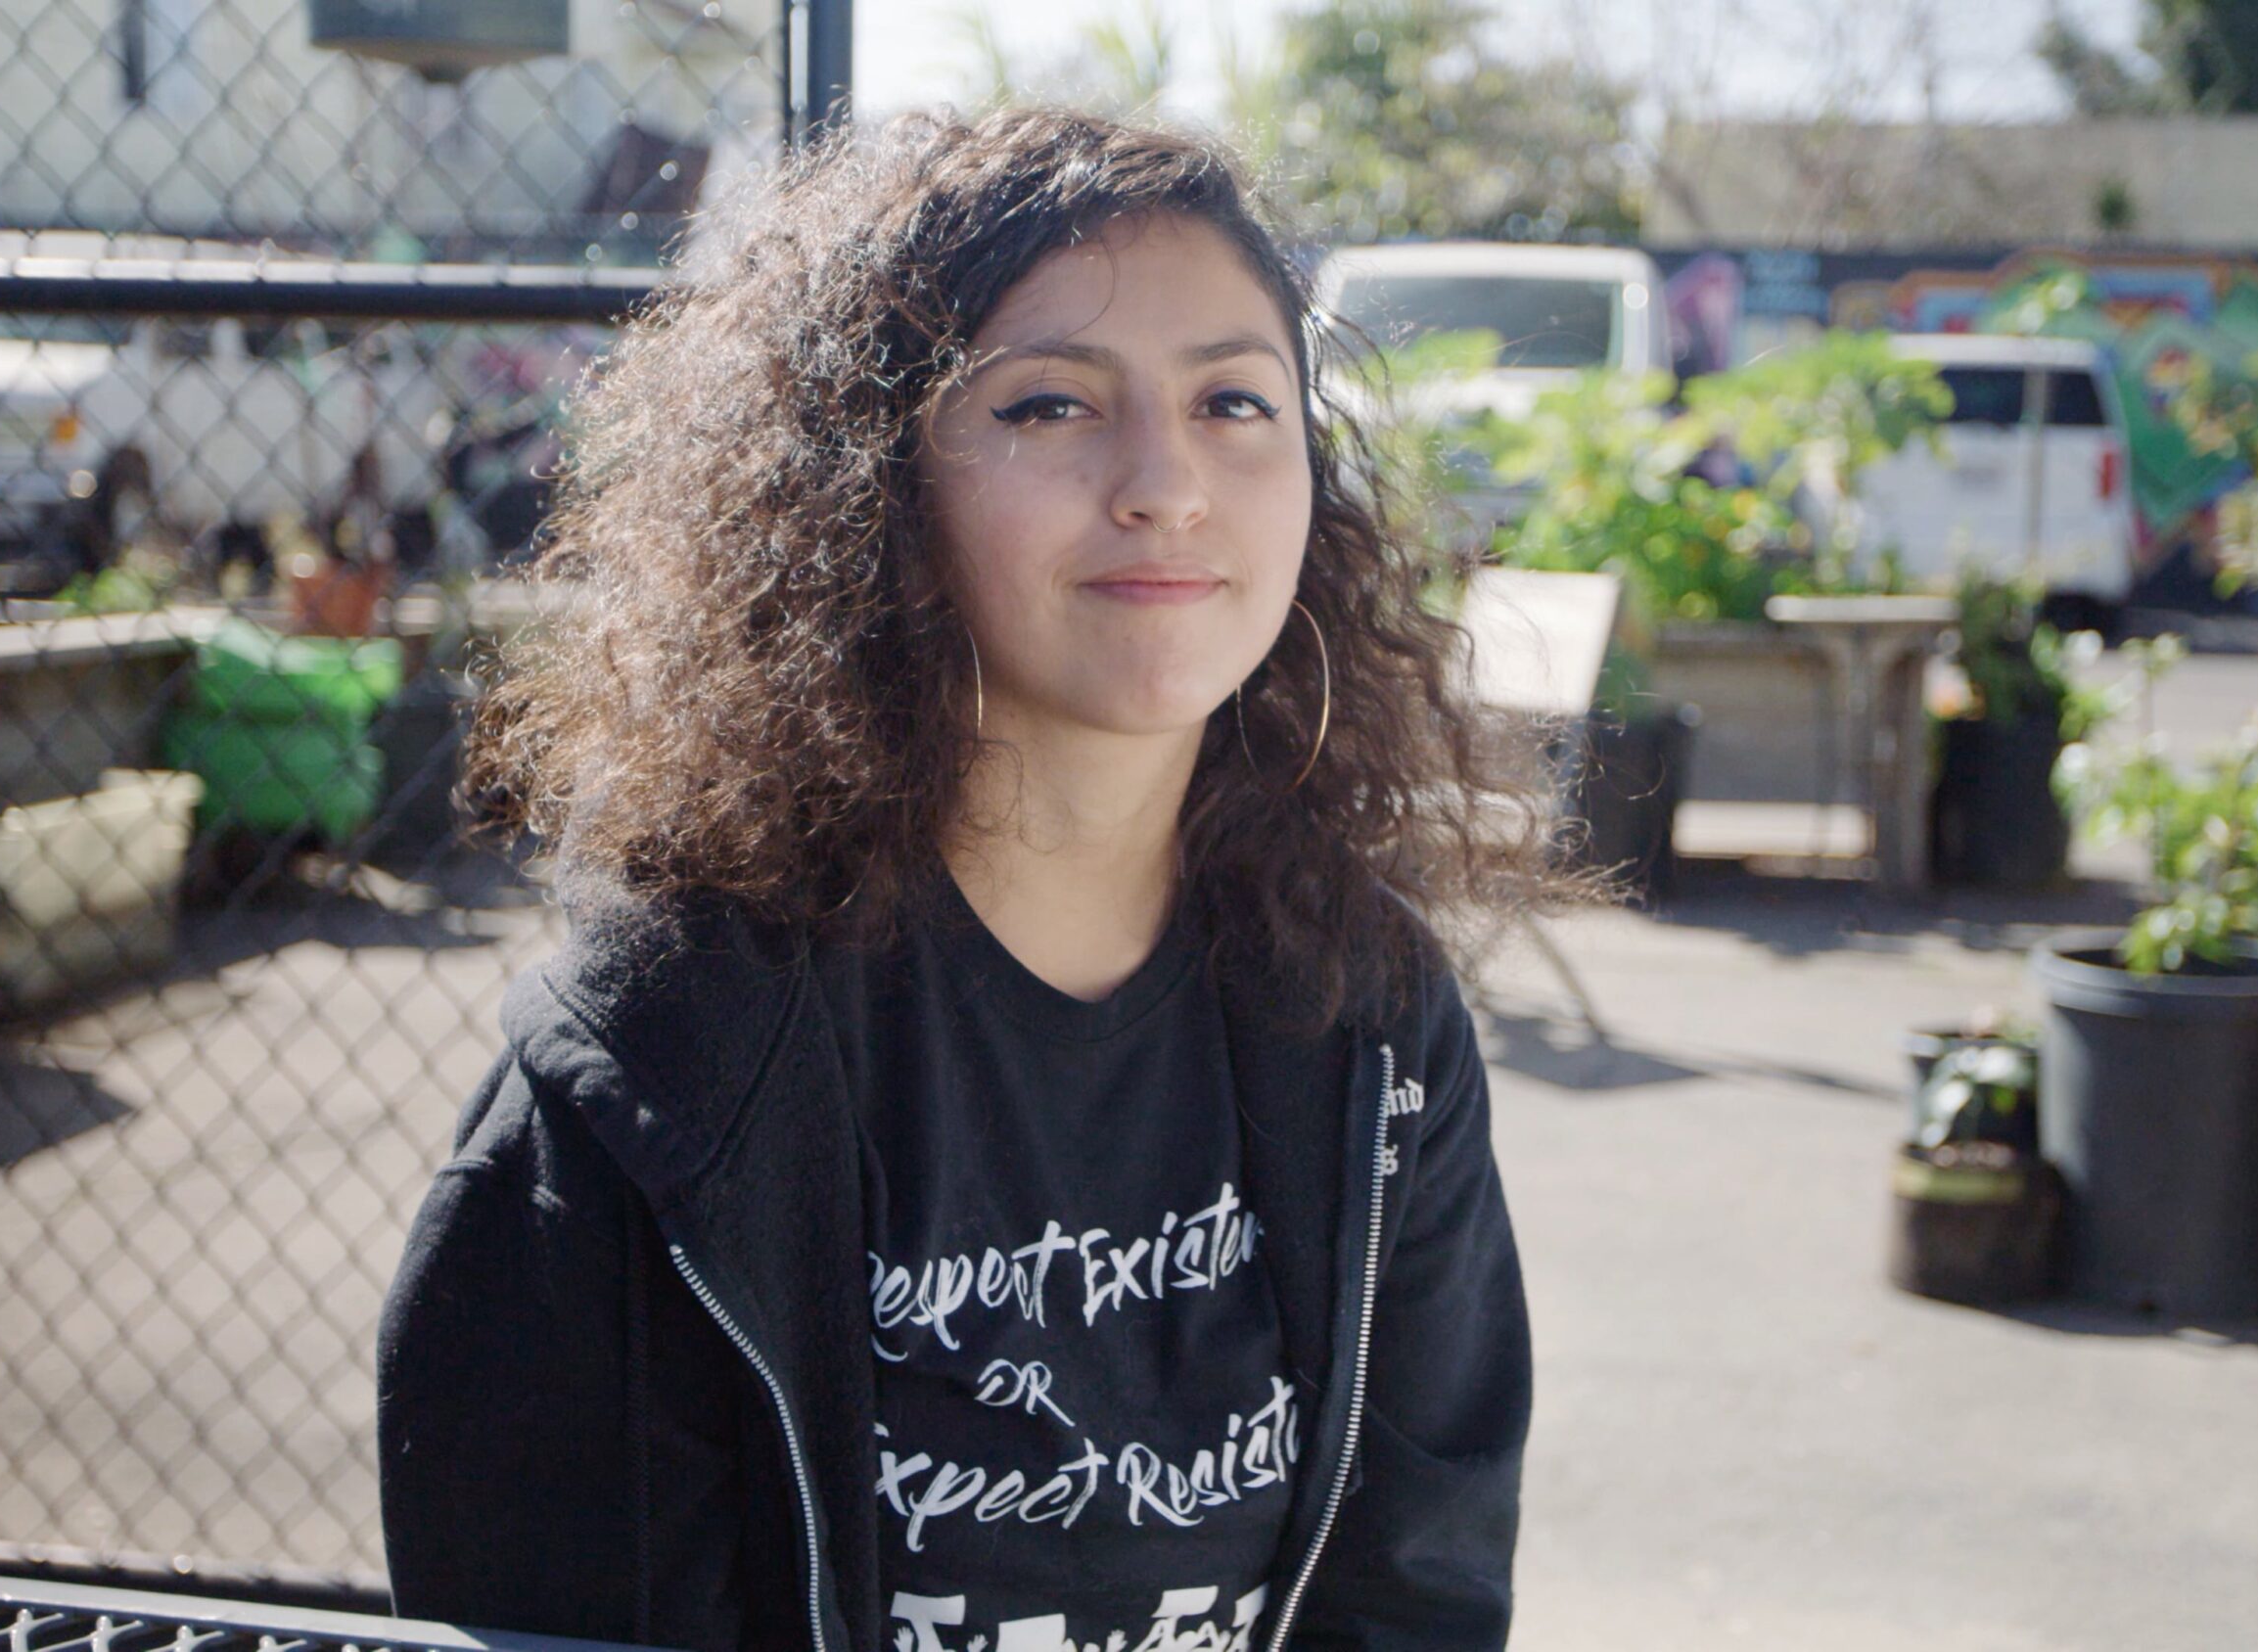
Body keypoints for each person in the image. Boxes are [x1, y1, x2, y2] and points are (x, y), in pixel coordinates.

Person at [376, 107, 1568, 1652]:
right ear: (874, 489)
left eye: (1232, 400)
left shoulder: (1371, 1013)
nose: (1165, 484)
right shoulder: (655, 1065)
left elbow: (1418, 1595)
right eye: (1054, 406)